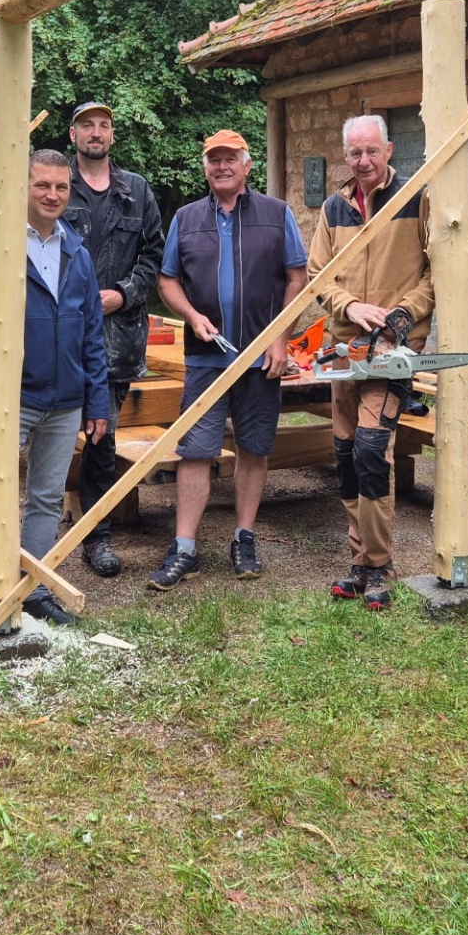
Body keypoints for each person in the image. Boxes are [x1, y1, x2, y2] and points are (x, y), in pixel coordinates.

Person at [0, 149, 111, 628]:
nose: (53, 195)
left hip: (66, 401)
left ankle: (32, 590)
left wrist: (97, 399)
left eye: (61, 187)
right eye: (43, 186)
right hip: (10, 396)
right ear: (23, 188)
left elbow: (91, 332)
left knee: (47, 499)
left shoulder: (76, 251)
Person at [149, 130, 308, 591]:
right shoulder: (186, 217)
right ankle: (184, 549)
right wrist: (192, 315)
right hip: (205, 359)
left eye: (229, 159)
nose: (221, 166)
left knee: (254, 447)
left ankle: (244, 538)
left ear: (246, 165)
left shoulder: (276, 214)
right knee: (194, 451)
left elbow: (298, 277)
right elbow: (168, 281)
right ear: (205, 167)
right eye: (213, 159)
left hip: (260, 359)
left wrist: (280, 338)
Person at [307, 115, 434, 611]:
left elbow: (434, 270)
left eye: (371, 151)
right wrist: (349, 306)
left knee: (371, 450)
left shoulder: (416, 197)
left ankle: (381, 564)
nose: (363, 161)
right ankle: (359, 560)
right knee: (345, 456)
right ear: (346, 155)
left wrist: (404, 314)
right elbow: (319, 274)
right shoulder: (333, 207)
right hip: (344, 350)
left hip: (391, 351)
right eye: (354, 153)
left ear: (389, 150)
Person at [61, 101, 165, 578]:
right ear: (74, 134)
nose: (96, 133)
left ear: (112, 136)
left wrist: (123, 295)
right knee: (52, 433)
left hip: (118, 337)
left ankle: (96, 536)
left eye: (103, 126)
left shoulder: (136, 191)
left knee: (102, 440)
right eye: (87, 125)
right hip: (60, 333)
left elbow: (154, 255)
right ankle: (41, 527)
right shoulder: (55, 185)